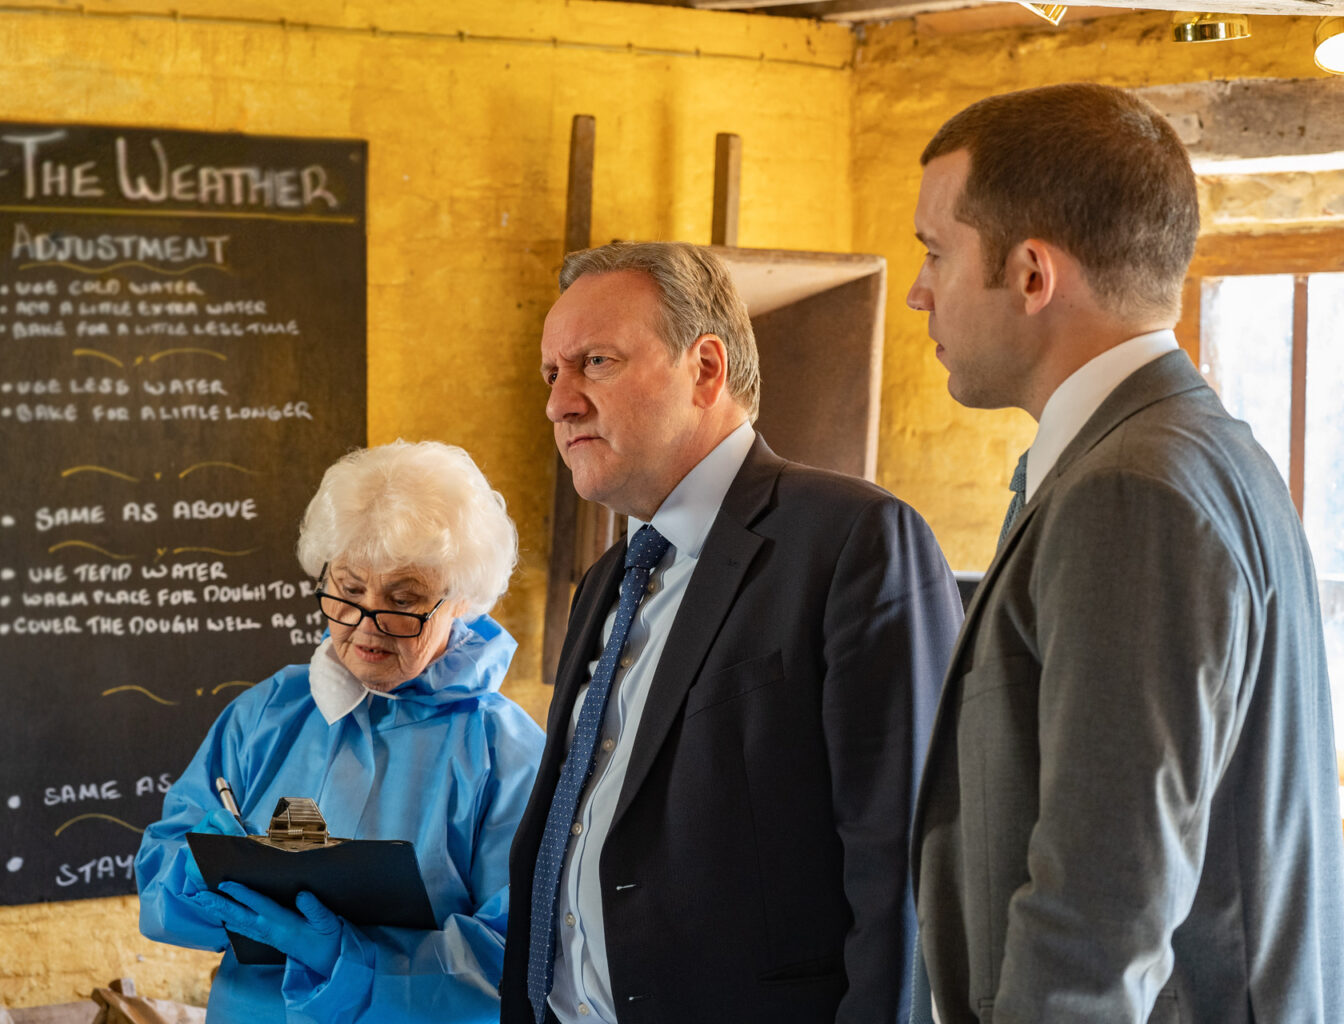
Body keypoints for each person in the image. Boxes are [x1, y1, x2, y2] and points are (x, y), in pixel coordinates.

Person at [907, 83, 1344, 1023]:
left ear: (1032, 274)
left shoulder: (1130, 490)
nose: (918, 291)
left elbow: (1101, 908)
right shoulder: (1196, 447)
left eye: (936, 253)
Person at [501, 241, 962, 1023]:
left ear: (705, 370)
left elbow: (905, 870)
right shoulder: (610, 579)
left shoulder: (854, 540)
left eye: (596, 363)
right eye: (554, 374)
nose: (560, 403)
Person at [136, 440, 545, 1022]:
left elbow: (522, 958)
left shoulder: (506, 753)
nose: (364, 624)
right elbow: (159, 887)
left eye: (403, 600)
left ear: (461, 603)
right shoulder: (266, 713)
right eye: (348, 590)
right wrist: (197, 870)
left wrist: (355, 963)